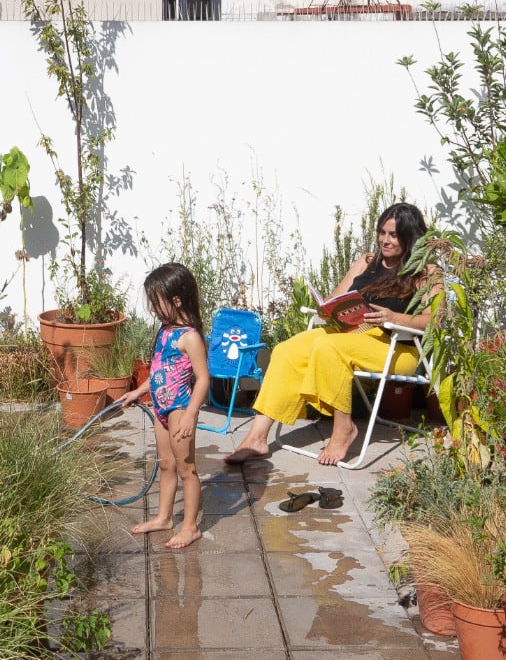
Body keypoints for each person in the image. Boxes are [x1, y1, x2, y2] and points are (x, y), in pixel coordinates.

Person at [223, 202, 432, 467]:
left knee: (328, 347)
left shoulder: (425, 271)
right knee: (286, 350)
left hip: (396, 347)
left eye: (393, 235)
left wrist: (394, 318)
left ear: (410, 236)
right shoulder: (367, 262)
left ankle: (343, 428)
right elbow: (336, 297)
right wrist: (327, 309)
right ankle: (256, 438)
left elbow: (436, 320)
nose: (385, 240)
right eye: (382, 232)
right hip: (348, 334)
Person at [121, 262, 211, 549]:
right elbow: (161, 373)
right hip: (161, 407)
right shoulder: (165, 331)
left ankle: (190, 526)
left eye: (156, 302)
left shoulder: (190, 337)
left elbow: (203, 379)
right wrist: (138, 391)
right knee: (166, 465)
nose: (152, 309)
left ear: (176, 300)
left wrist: (190, 415)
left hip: (180, 409)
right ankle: (164, 518)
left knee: (187, 469)